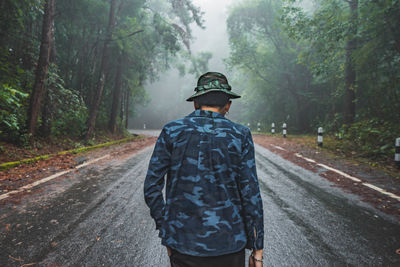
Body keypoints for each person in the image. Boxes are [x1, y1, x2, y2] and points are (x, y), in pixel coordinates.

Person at [144, 72, 264, 267]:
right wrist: (257, 250)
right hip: (230, 247)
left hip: (183, 245)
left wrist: (167, 233)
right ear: (228, 105)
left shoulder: (172, 131)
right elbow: (251, 194)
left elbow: (151, 188)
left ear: (195, 103)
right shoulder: (240, 135)